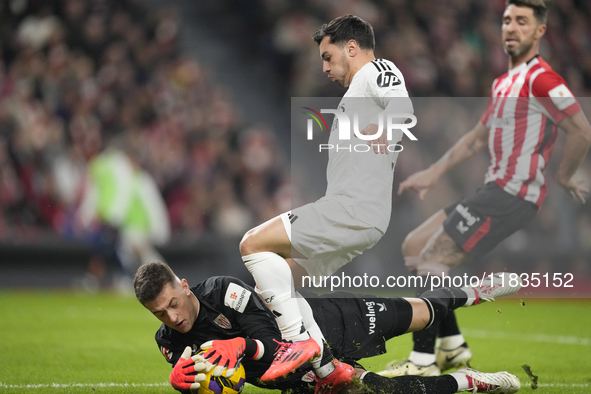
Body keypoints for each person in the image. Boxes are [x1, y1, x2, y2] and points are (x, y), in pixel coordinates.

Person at [387, 0, 591, 377]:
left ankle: (422, 362)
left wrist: (563, 176)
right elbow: (476, 138)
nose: (511, 28)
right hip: (492, 189)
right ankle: (452, 346)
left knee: (435, 259)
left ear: (540, 31)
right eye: (507, 20)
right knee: (414, 246)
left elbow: (581, 130)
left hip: (513, 194)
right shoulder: (504, 82)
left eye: (522, 21)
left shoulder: (543, 80)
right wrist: (434, 171)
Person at [239, 14, 414, 387]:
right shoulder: (357, 93)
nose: (324, 67)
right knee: (279, 281)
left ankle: (298, 342)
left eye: (328, 56)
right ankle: (326, 371)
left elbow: (402, 106)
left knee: (252, 243)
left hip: (352, 209)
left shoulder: (375, 71)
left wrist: (389, 127)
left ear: (352, 48)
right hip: (364, 216)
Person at [134, 261, 522, 394]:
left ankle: (474, 292)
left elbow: (276, 345)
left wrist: (240, 345)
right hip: (306, 381)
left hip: (325, 326)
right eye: (159, 314)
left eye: (172, 304)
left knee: (422, 314)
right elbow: (217, 384)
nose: (172, 318)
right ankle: (472, 382)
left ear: (183, 286)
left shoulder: (224, 291)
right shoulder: (168, 342)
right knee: (387, 391)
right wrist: (182, 384)